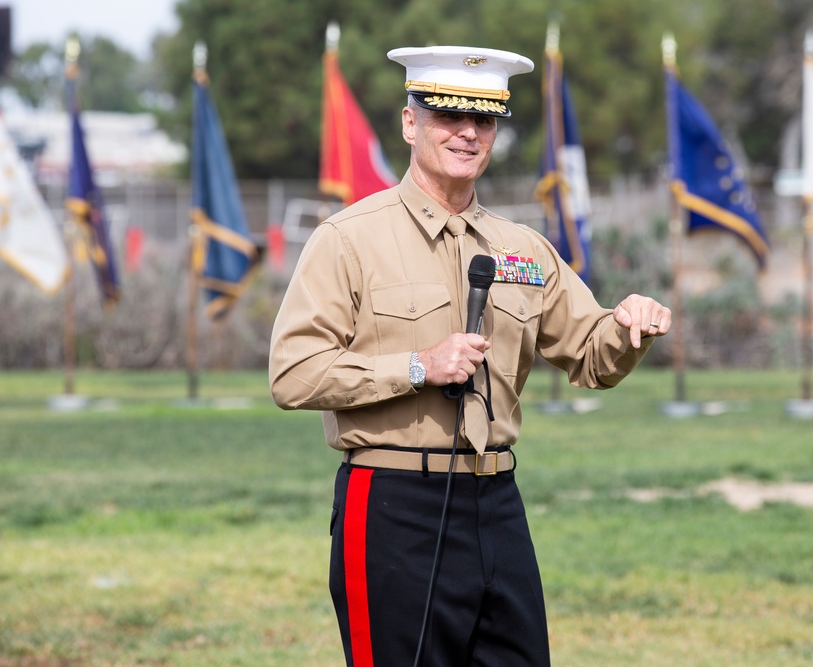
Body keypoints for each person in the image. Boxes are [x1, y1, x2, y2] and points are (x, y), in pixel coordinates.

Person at [269, 44, 671, 667]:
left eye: (483, 119)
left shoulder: (523, 249)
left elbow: (592, 356)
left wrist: (627, 328)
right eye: (447, 115)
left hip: (498, 503)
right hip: (393, 507)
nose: (466, 132)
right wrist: (417, 366)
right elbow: (294, 373)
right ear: (410, 122)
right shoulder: (349, 240)